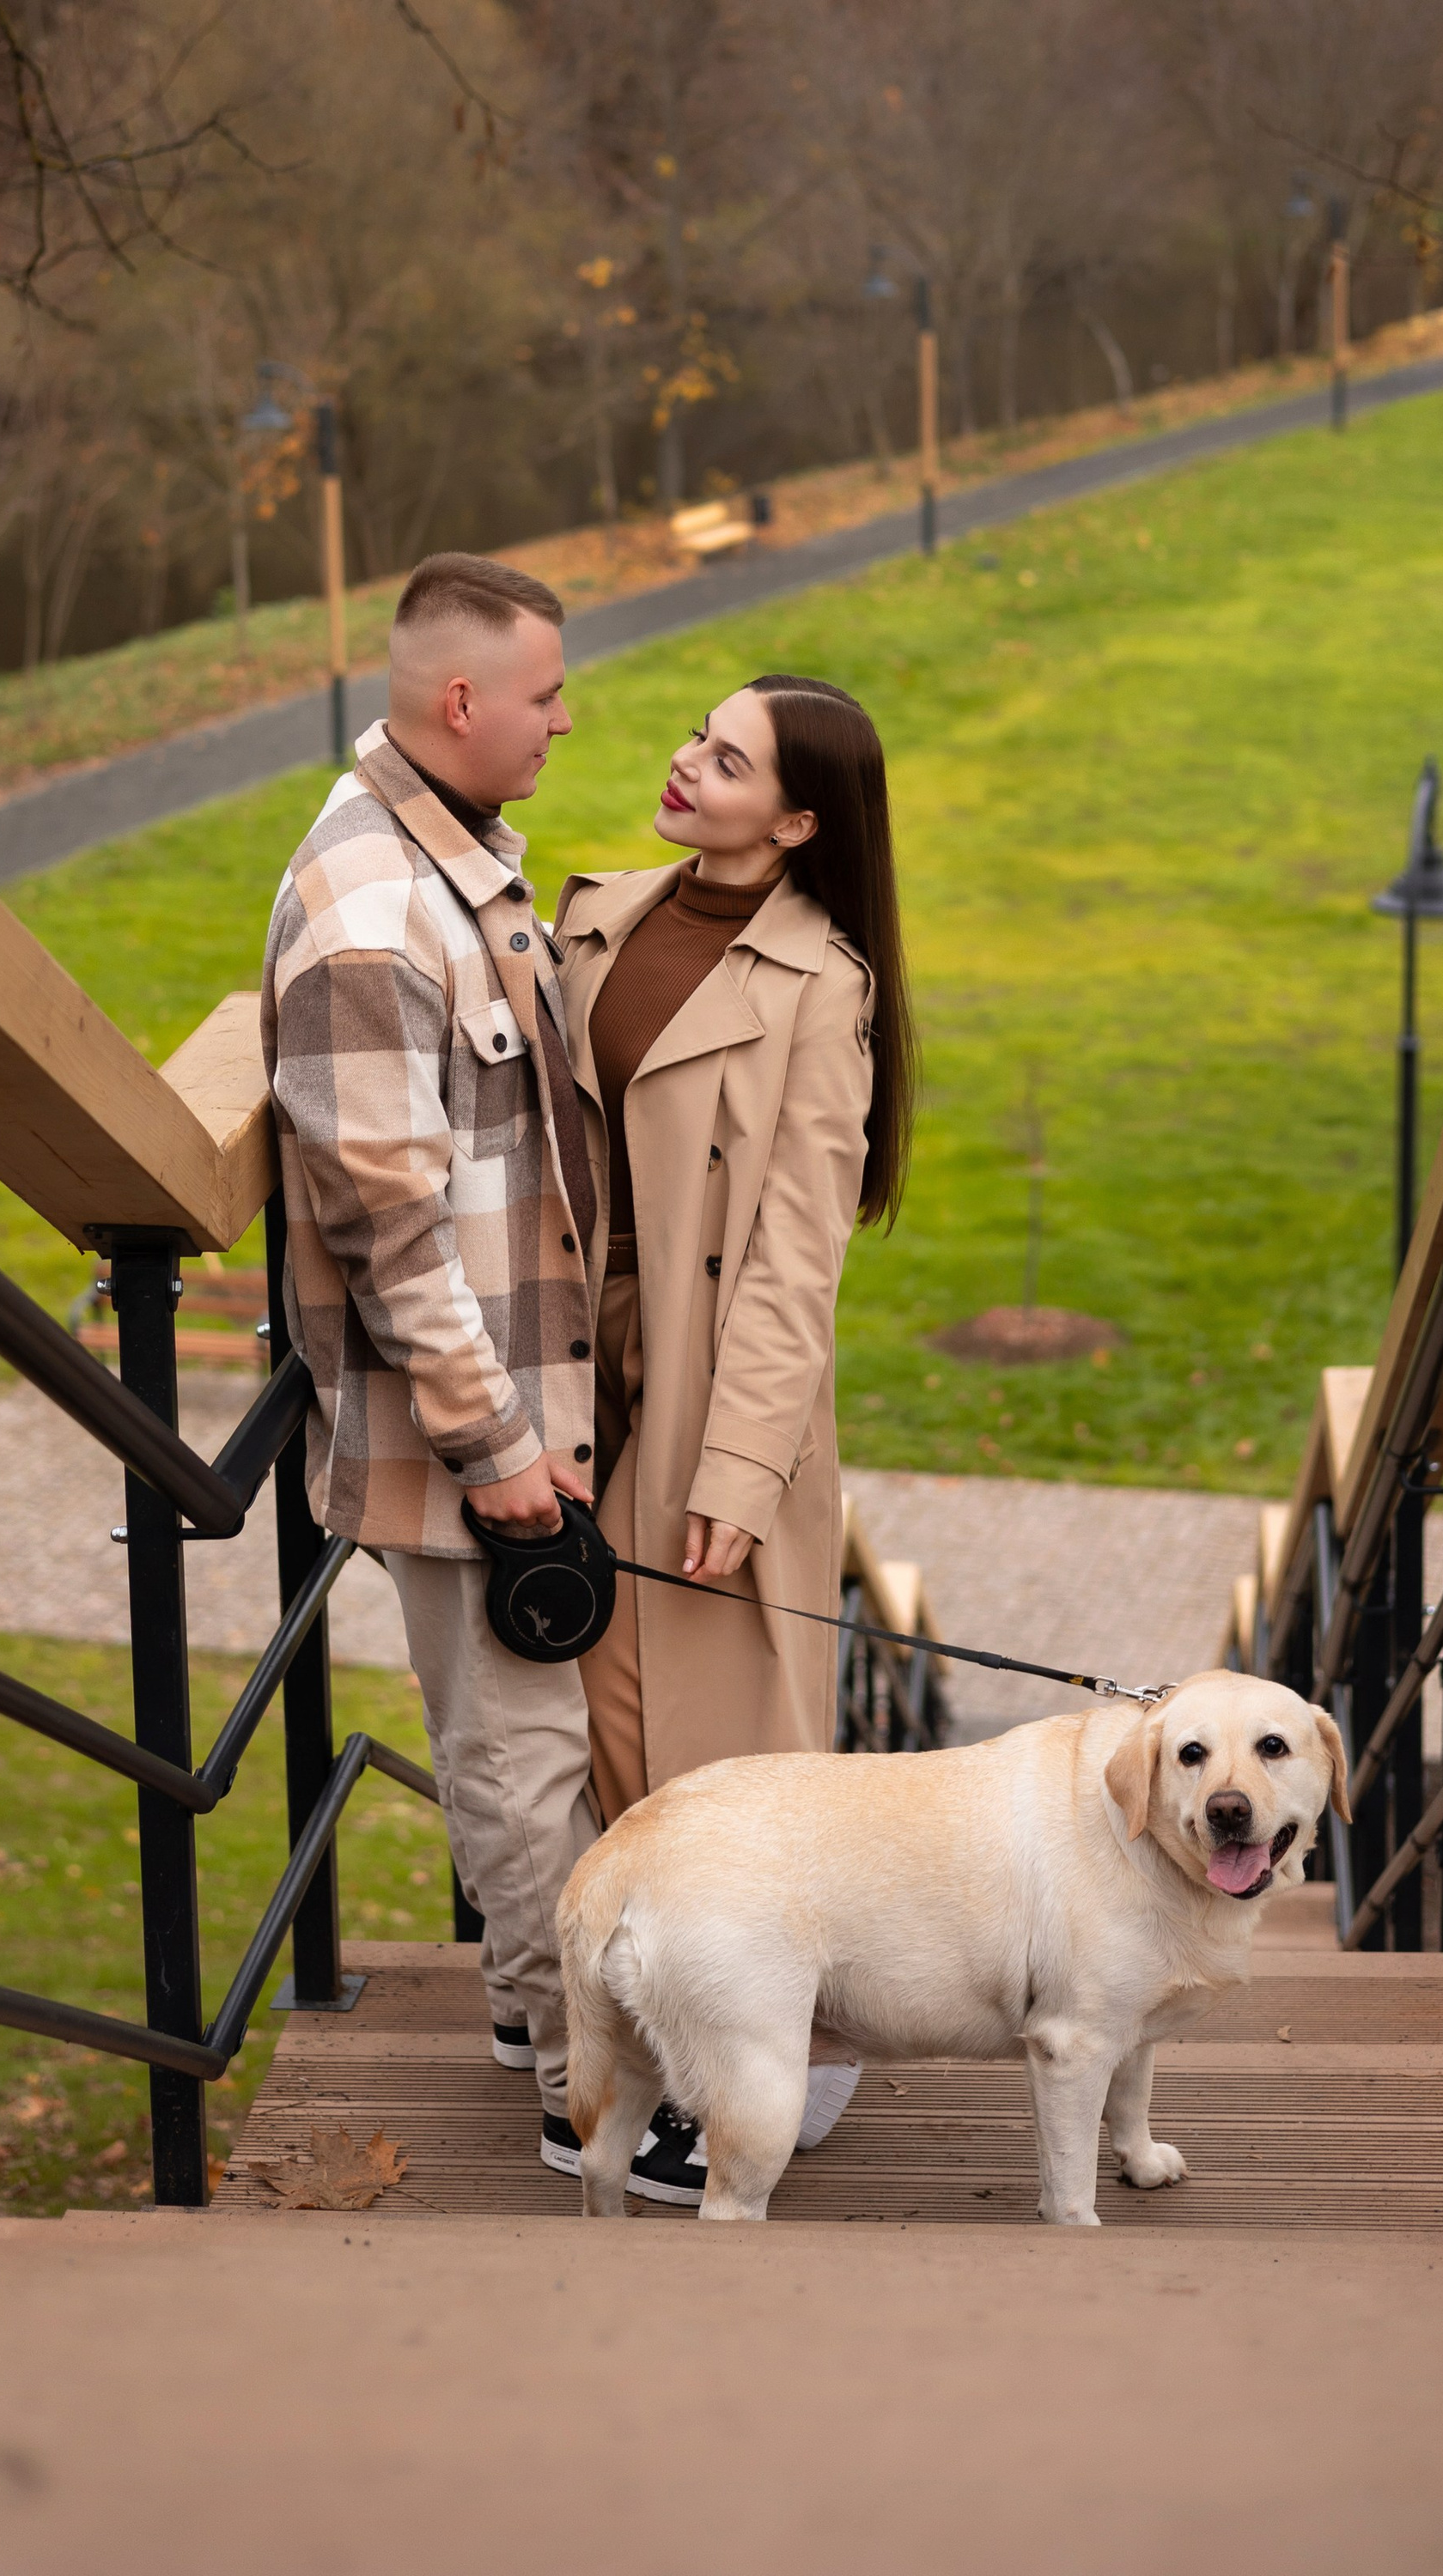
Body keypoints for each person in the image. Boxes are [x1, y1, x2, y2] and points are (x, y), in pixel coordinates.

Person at [260, 550, 601, 2184]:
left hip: (511, 1414)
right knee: (523, 1765)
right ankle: (577, 2092)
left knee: (517, 1748)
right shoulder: (372, 915)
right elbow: (392, 1233)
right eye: (543, 693)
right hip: (462, 1433)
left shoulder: (451, 867)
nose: (562, 720)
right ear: (461, 700)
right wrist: (501, 1446)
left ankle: (531, 2021)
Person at [554, 671, 916, 2202]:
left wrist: (744, 1468)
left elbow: (794, 1258)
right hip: (571, 1345)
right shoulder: (594, 916)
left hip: (710, 1379)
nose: (685, 767)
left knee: (698, 1732)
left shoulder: (822, 990)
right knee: (589, 1708)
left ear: (800, 817)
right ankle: (650, 2045)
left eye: (728, 759)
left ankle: (765, 2061)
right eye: (694, 741)